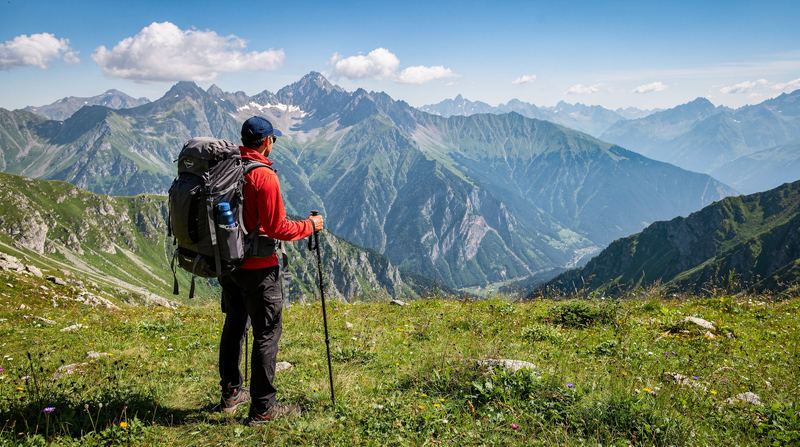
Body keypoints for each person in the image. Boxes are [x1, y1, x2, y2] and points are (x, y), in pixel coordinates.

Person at [217, 115, 324, 424]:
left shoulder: (228, 167)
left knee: (234, 325)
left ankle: (231, 393)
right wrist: (310, 225)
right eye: (273, 139)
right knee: (266, 333)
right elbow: (278, 228)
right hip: (259, 269)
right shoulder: (264, 176)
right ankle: (263, 409)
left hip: (230, 264)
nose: (273, 143)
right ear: (266, 142)